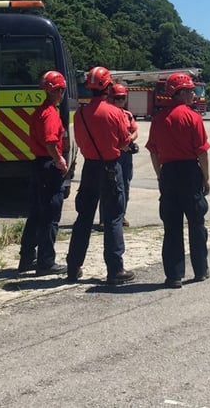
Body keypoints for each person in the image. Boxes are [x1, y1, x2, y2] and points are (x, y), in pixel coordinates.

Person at [65, 66, 135, 285]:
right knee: (113, 216)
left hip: (90, 168)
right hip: (111, 167)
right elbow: (125, 143)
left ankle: (73, 266)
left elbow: (79, 139)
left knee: (83, 218)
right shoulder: (115, 113)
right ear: (108, 87)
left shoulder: (81, 114)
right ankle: (115, 269)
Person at [145, 72, 210, 289]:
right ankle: (200, 270)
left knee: (172, 226)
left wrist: (159, 174)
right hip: (190, 172)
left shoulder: (159, 119)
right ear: (181, 93)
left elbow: (153, 152)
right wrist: (206, 178)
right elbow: (202, 152)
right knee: (196, 223)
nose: (194, 95)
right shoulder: (193, 117)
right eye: (191, 91)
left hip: (168, 173)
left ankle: (174, 275)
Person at [18, 70, 70, 276]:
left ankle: (27, 258)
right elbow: (50, 141)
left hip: (38, 165)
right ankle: (46, 262)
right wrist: (59, 160)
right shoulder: (50, 114)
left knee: (36, 214)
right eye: (62, 90)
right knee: (50, 215)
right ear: (56, 91)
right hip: (49, 166)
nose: (63, 94)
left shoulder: (39, 111)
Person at [110, 83, 136, 228]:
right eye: (118, 98)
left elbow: (135, 130)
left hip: (126, 154)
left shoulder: (127, 115)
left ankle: (122, 215)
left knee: (125, 184)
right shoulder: (108, 114)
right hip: (113, 153)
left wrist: (130, 139)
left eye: (123, 98)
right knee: (110, 186)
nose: (121, 101)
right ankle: (105, 217)